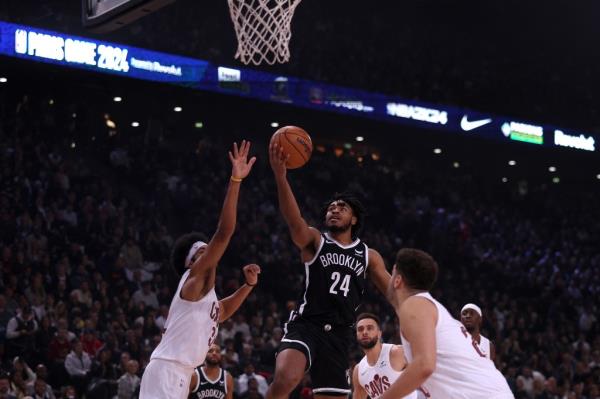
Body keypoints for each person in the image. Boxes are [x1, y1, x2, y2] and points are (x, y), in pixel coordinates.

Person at [266, 143, 391, 398]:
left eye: (342, 208)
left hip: (339, 334)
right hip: (307, 324)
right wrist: (281, 176)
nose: (334, 209)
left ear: (354, 219)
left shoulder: (369, 255)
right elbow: (293, 220)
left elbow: (392, 291)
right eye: (331, 207)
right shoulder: (316, 241)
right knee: (286, 378)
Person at [140, 140, 257, 399]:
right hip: (167, 370)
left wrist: (247, 286)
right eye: (203, 252)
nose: (210, 255)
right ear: (191, 263)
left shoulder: (205, 295)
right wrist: (236, 181)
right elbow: (225, 232)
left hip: (180, 372)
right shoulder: (193, 279)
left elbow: (221, 311)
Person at [382, 248, 514, 399]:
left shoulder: (415, 305)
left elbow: (424, 365)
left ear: (397, 280)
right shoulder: (428, 308)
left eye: (392, 275)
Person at [352, 313, 417, 399]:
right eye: (360, 329)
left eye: (369, 328)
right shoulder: (358, 371)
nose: (364, 332)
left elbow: (427, 370)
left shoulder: (397, 352)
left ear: (379, 333)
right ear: (357, 335)